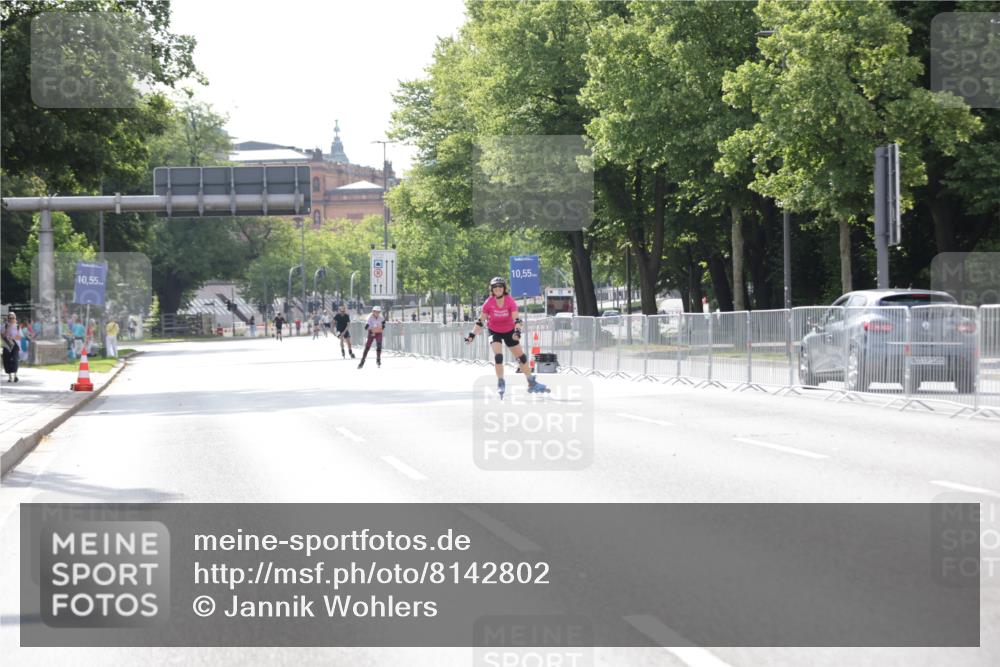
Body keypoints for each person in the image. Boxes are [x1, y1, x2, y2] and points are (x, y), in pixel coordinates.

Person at [464, 276, 548, 398]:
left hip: (509, 330)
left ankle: (531, 382)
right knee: (498, 356)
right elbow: (480, 321)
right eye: (495, 287)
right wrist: (471, 335)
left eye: (500, 287)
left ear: (504, 289)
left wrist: (517, 331)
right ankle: (501, 382)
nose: (498, 289)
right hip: (494, 331)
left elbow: (516, 319)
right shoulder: (489, 303)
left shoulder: (510, 301)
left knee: (522, 358)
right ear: (492, 289)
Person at [3, 312, 22, 382]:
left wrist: (13, 337)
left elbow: (20, 337)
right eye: (10, 318)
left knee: (15, 359)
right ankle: (10, 376)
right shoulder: (4, 326)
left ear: (15, 318)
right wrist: (8, 327)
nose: (11, 319)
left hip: (15, 344)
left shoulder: (18, 326)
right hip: (7, 343)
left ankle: (15, 376)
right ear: (8, 319)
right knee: (7, 359)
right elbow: (3, 336)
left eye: (13, 318)